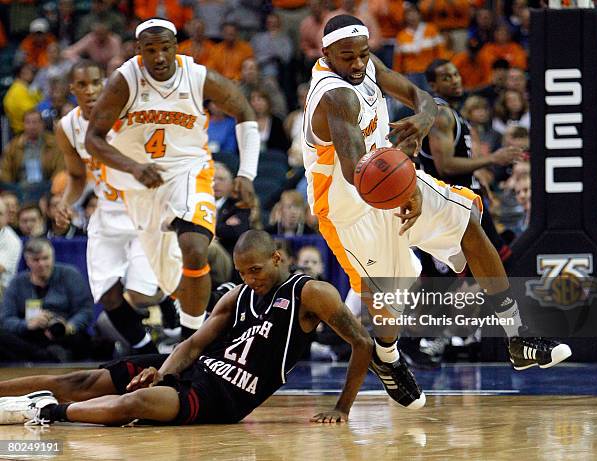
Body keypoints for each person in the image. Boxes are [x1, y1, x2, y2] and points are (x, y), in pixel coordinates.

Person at [301, 15, 571, 408]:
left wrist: (426, 116)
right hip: (350, 207)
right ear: (325, 54)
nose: (358, 64)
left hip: (388, 178)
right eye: (348, 58)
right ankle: (387, 357)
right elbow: (357, 174)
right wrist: (403, 191)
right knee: (389, 303)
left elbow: (418, 94)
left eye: (363, 54)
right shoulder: (334, 95)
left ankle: (518, 337)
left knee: (468, 224)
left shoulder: (367, 66)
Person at [0, 230, 373, 426]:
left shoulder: (310, 292)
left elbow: (362, 343)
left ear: (277, 258)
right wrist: (161, 375)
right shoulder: (237, 296)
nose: (249, 278)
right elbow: (193, 345)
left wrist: (342, 407)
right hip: (196, 369)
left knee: (135, 404)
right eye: (242, 272)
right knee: (80, 381)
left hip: (227, 396)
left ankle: (47, 413)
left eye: (255, 270)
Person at [84, 18, 260, 340]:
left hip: (187, 169)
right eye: (151, 50)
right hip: (140, 184)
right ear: (138, 51)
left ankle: (191, 342)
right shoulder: (124, 81)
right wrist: (133, 167)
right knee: (168, 280)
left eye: (166, 48)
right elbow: (93, 139)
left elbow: (244, 110)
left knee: (193, 246)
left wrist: (247, 173)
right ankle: (199, 317)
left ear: (176, 47)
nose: (160, 57)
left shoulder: (195, 75)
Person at [55, 60, 180, 354]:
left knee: (139, 294)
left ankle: (165, 298)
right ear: (73, 89)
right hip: (107, 215)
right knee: (108, 295)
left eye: (96, 82)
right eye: (82, 85)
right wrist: (64, 204)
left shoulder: (130, 115)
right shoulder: (67, 127)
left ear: (106, 83)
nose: (90, 90)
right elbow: (75, 177)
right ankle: (147, 353)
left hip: (143, 211)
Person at [419, 59, 523, 264]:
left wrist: (475, 178)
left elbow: (456, 160)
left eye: (456, 75)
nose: (455, 80)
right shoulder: (441, 114)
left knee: (493, 262)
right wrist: (492, 158)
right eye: (446, 77)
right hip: (447, 206)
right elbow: (446, 165)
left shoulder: (452, 113)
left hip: (463, 198)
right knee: (484, 267)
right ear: (433, 85)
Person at [0, 238, 93, 362]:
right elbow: (5, 319)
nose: (41, 264)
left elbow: (85, 310)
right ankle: (47, 357)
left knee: (82, 340)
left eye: (45, 258)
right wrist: (27, 324)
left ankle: (47, 356)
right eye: (36, 260)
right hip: (29, 336)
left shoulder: (70, 275)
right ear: (27, 261)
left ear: (53, 257)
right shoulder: (17, 283)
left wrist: (69, 326)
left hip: (64, 333)